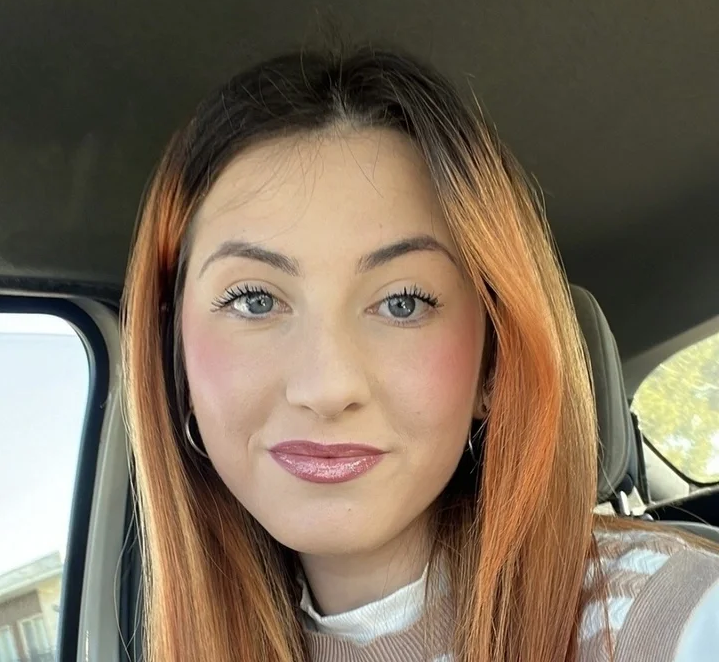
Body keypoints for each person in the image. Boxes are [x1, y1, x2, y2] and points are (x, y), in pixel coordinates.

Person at [121, 46, 719, 662]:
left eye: (403, 303)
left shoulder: (658, 618)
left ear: (493, 362)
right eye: (253, 300)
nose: (327, 387)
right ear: (175, 357)